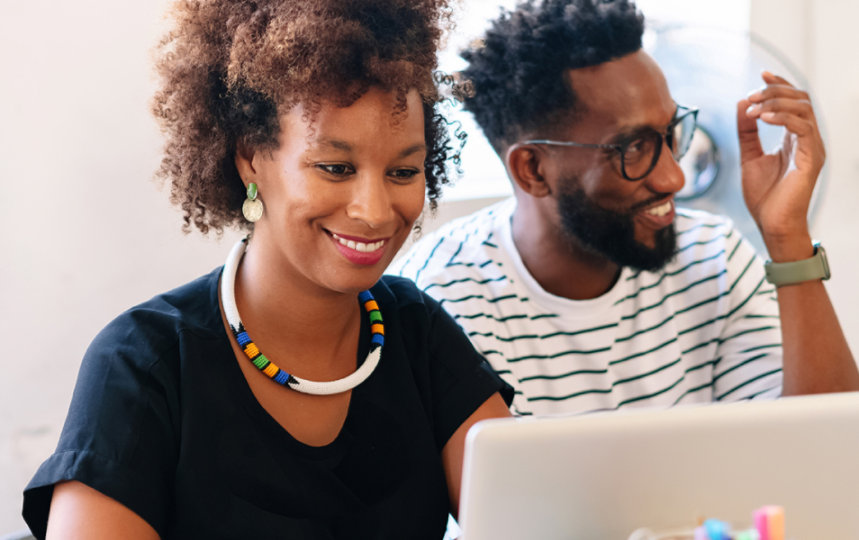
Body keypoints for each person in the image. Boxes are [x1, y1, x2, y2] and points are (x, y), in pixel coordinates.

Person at [22, 1, 512, 538]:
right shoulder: (144, 364)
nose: (374, 210)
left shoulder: (415, 330)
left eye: (402, 171)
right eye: (335, 168)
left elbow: (532, 518)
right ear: (251, 157)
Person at [391, 0, 859, 417]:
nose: (674, 177)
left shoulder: (714, 258)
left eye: (670, 131)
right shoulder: (441, 301)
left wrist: (787, 238)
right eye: (632, 148)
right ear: (532, 170)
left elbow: (822, 446)